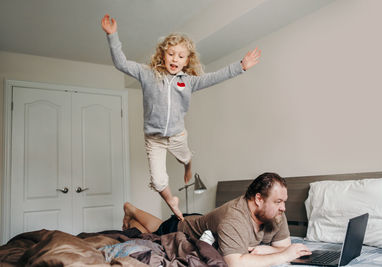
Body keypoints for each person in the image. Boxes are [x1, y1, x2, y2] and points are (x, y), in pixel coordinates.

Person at [101, 14, 261, 221]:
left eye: (180, 56)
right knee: (158, 182)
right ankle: (172, 203)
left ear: (187, 60)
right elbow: (121, 63)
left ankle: (188, 165)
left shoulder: (189, 81)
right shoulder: (147, 74)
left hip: (177, 135)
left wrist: (240, 66)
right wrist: (112, 36)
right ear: (163, 55)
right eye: (171, 54)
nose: (175, 59)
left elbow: (214, 77)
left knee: (184, 157)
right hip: (154, 138)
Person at [122, 172, 312, 266]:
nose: (283, 207)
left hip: (203, 220)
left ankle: (132, 215)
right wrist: (282, 255)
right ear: (259, 199)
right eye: (278, 201)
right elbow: (235, 263)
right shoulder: (234, 218)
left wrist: (264, 249)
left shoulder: (277, 213)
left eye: (284, 201)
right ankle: (132, 210)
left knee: (151, 227)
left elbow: (284, 245)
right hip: (183, 227)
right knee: (154, 228)